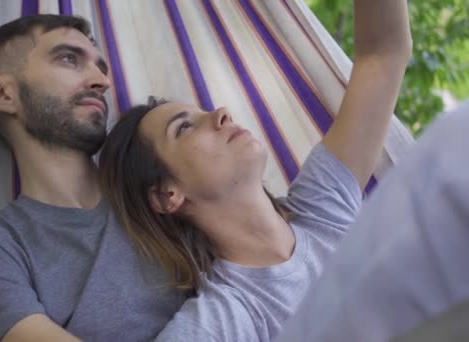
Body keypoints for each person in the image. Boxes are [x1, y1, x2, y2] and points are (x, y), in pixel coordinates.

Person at [98, 0, 411, 340]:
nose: (220, 113)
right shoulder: (223, 321)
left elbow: (383, 56)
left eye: (202, 111)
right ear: (166, 194)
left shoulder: (322, 208)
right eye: (184, 128)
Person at [0, 15, 185, 342]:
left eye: (101, 68)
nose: (101, 80)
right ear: (2, 94)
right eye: (69, 59)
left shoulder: (165, 200)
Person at [276, 100, 469, 342]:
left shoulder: (313, 207)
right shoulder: (224, 314)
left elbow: (380, 69)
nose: (222, 116)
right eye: (209, 116)